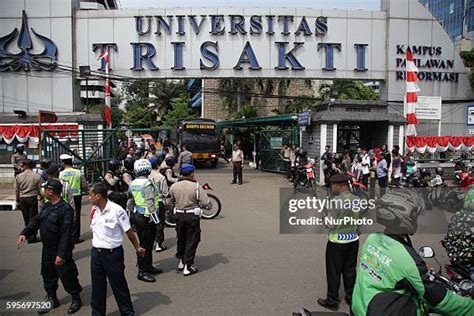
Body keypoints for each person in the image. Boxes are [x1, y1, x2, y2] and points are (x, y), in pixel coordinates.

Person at [352, 189, 474, 316]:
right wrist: (470, 307)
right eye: (415, 215)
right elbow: (440, 299)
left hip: (360, 306)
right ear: (403, 217)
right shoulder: (408, 260)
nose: (416, 220)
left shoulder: (372, 239)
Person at [16, 179, 82, 314]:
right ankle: (52, 299)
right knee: (48, 275)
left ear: (51, 191)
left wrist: (61, 254)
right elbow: (36, 220)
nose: (43, 190)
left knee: (67, 275)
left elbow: (66, 234)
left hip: (60, 249)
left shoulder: (65, 209)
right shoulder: (47, 206)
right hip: (47, 249)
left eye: (45, 189)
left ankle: (76, 298)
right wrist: (25, 233)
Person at [89, 182, 145, 316]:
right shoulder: (94, 210)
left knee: (118, 286)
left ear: (98, 196)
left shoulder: (117, 210)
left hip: (112, 255)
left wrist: (137, 247)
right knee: (97, 287)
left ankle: (127, 312)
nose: (89, 198)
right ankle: (97, 313)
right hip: (96, 254)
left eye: (90, 195)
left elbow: (129, 231)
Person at [317, 174, 362, 311]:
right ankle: (351, 297)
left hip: (337, 242)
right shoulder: (357, 199)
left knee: (334, 272)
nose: (331, 188)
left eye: (333, 185)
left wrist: (323, 215)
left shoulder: (336, 201)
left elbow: (332, 224)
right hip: (353, 240)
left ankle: (332, 301)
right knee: (350, 271)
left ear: (341, 185)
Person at [170, 164, 210, 275]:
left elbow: (169, 202)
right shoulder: (196, 186)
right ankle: (188, 266)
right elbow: (206, 202)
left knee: (181, 238)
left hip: (179, 215)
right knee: (192, 240)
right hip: (192, 216)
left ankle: (180, 261)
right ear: (191, 174)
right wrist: (207, 207)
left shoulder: (174, 186)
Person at [127, 159, 162, 283]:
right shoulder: (147, 183)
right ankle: (142, 271)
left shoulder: (133, 183)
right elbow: (150, 204)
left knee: (147, 243)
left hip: (138, 216)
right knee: (144, 244)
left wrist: (129, 216)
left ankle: (148, 266)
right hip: (147, 218)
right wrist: (158, 222)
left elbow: (130, 200)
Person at [59, 154, 88, 244]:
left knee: (65, 216)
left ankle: (66, 235)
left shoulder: (61, 174)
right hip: (76, 196)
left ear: (63, 163)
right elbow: (84, 185)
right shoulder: (78, 172)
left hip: (65, 197)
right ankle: (75, 237)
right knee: (76, 216)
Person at [15, 159, 43, 243]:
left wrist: (17, 200)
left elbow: (17, 190)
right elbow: (40, 189)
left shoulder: (19, 176)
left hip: (23, 198)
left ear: (26, 166)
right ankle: (32, 236)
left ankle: (27, 235)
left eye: (23, 165)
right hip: (32, 198)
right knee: (33, 217)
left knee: (26, 217)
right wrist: (40, 196)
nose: (22, 167)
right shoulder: (36, 176)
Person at [149, 156, 169, 252]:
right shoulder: (161, 177)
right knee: (159, 223)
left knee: (150, 223)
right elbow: (165, 192)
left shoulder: (146, 176)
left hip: (147, 203)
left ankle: (149, 242)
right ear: (158, 165)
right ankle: (158, 244)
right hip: (158, 202)